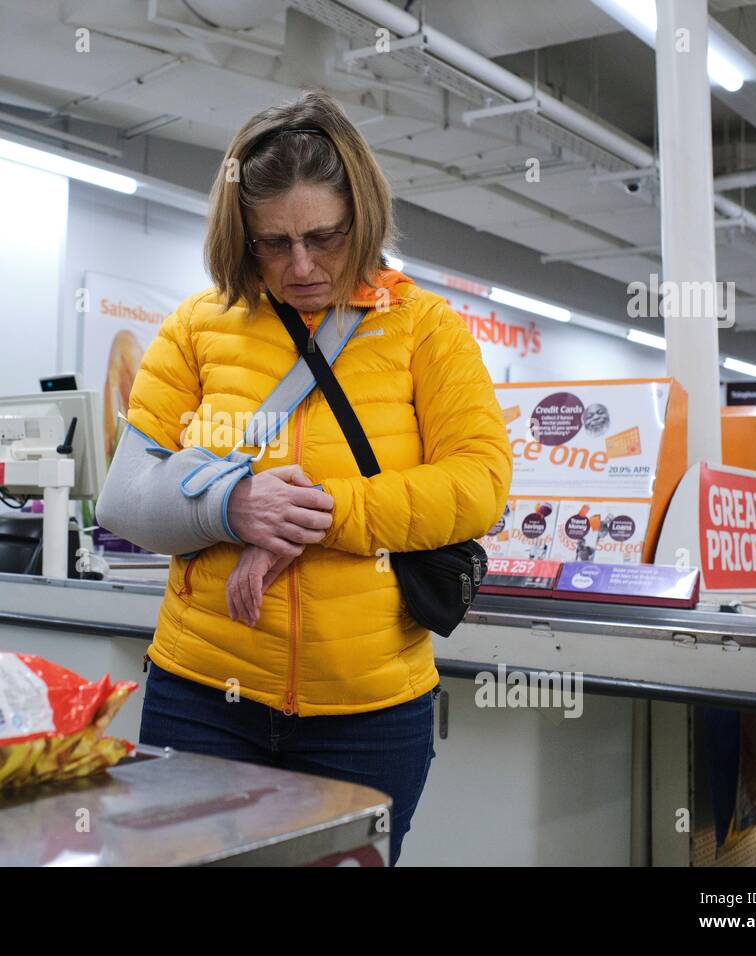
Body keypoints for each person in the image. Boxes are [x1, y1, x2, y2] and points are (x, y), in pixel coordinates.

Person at [94, 91, 512, 865]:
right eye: (273, 243)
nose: (302, 266)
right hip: (201, 696)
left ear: (365, 214)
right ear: (240, 236)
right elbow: (123, 497)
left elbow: (480, 481)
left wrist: (309, 516)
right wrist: (235, 507)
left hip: (371, 711)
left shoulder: (426, 330)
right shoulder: (196, 326)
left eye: (325, 237)